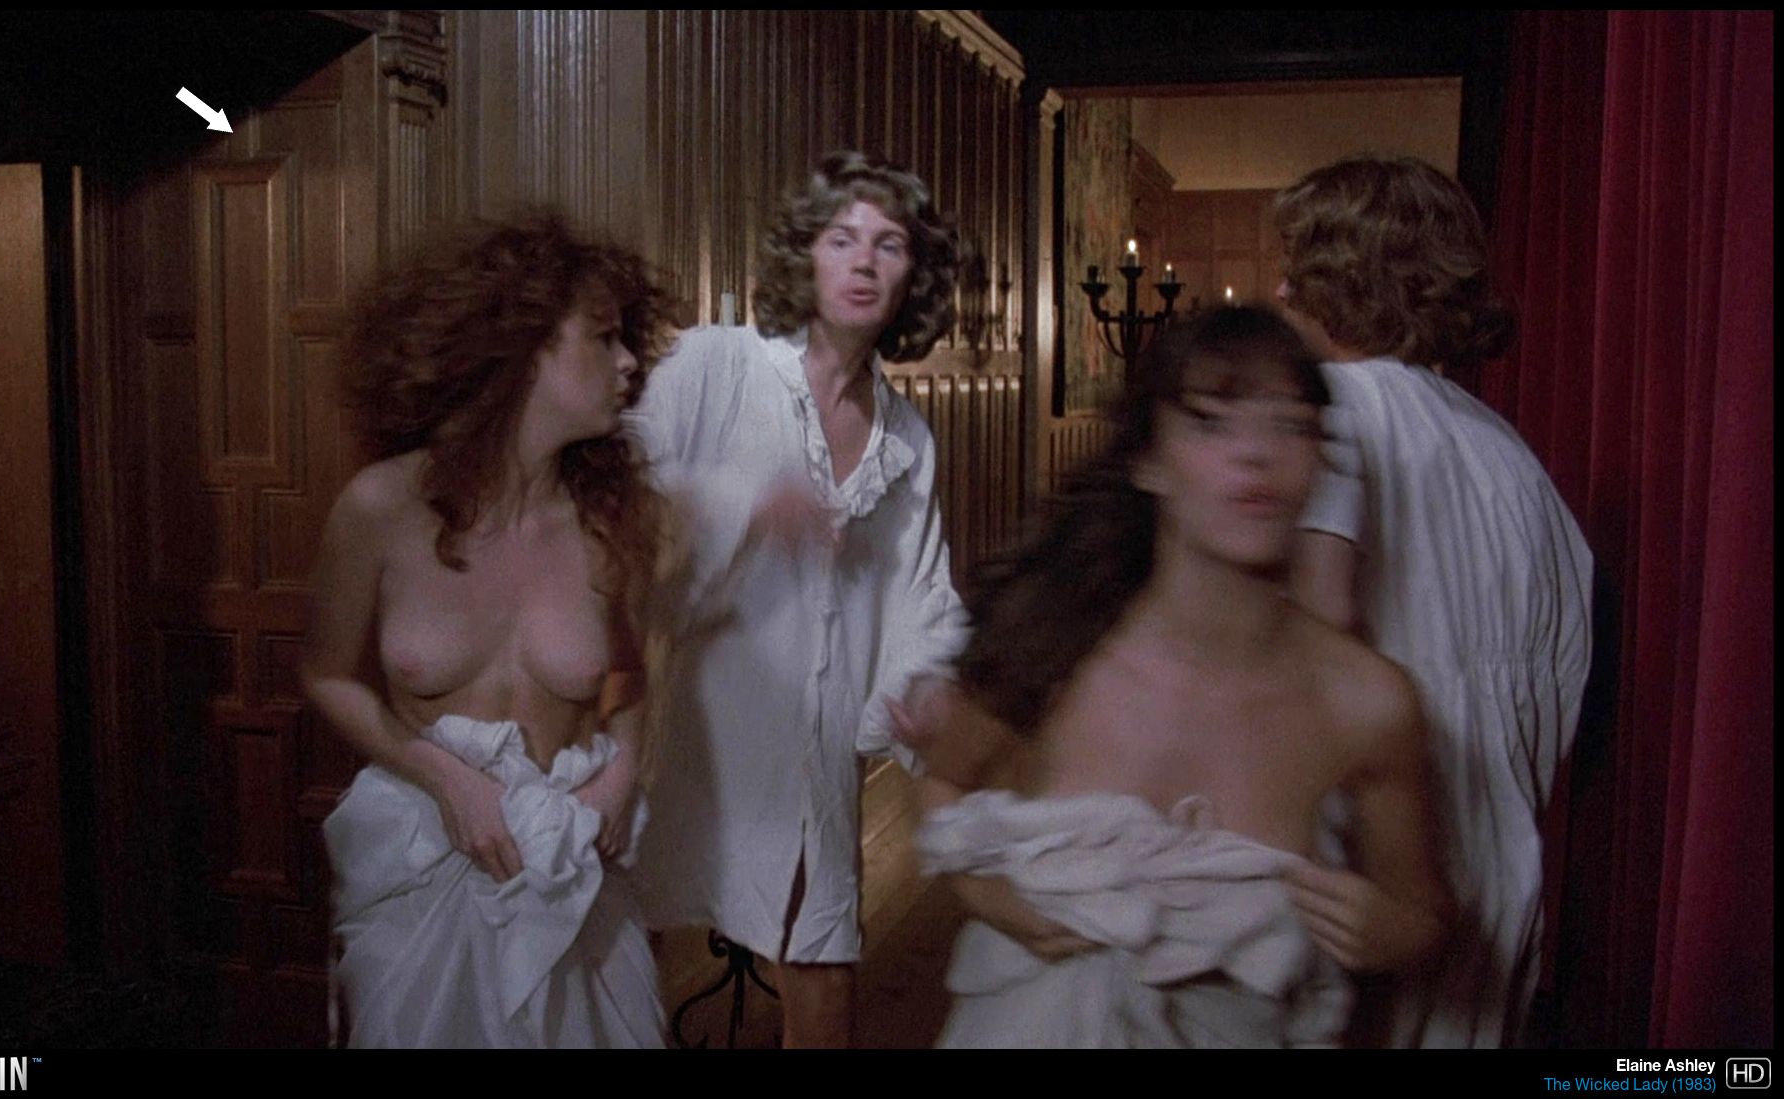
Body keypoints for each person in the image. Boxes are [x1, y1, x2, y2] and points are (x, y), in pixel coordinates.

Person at [905, 306, 1452, 1048]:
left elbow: (1421, 912)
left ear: (1319, 461)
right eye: (1210, 422)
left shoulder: (1366, 702)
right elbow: (941, 783)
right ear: (1149, 461)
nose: (1256, 453)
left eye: (1291, 425)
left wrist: (1390, 932)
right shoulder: (1052, 644)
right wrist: (986, 893)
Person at [302, 211, 674, 1047]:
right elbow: (327, 674)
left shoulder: (613, 519)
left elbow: (632, 674)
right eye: (604, 337)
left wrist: (622, 774)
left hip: (572, 871)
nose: (628, 362)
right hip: (425, 868)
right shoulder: (379, 506)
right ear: (522, 345)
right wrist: (446, 778)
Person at [624, 151, 968, 1047]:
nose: (864, 262)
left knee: (823, 960)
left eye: (889, 244)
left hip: (814, 736)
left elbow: (920, 588)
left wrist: (926, 683)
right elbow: (613, 504)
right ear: (804, 254)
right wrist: (741, 508)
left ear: (914, 274)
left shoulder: (907, 438)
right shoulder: (715, 366)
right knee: (629, 944)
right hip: (690, 723)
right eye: (841, 238)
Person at [1272, 156, 1595, 1048]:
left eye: (1300, 266)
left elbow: (1308, 647)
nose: (1282, 290)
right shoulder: (1514, 459)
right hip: (1500, 868)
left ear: (1347, 280)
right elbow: (1563, 683)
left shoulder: (1330, 415)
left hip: (1369, 874)